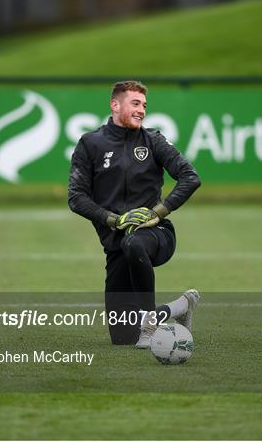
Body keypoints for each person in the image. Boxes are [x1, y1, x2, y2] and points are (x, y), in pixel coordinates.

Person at [68, 80, 201, 347]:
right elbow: (76, 197)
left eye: (144, 105)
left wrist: (158, 213)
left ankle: (150, 327)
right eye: (135, 103)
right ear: (115, 105)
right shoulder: (90, 144)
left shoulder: (154, 140)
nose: (141, 110)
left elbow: (190, 177)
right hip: (116, 248)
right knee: (122, 339)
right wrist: (113, 219)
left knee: (134, 241)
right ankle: (179, 307)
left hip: (156, 236)